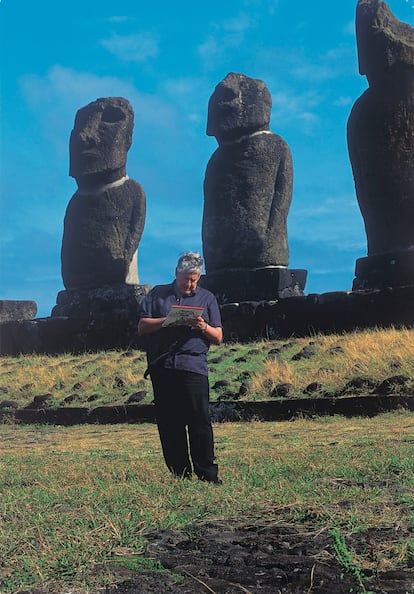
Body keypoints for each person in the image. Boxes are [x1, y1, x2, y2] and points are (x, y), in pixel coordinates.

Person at [138, 252, 223, 483]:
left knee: (200, 421)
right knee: (169, 422)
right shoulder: (157, 294)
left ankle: (207, 473)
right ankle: (180, 473)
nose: (189, 284)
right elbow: (143, 325)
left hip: (193, 366)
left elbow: (218, 336)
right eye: (186, 278)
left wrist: (203, 326)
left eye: (194, 279)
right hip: (163, 366)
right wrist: (168, 320)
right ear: (176, 274)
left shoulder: (207, 298)